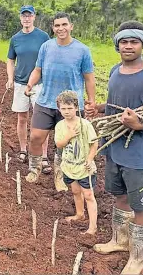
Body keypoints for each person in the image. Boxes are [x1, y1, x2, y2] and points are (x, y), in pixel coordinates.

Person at [91, 21, 143, 275]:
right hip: (114, 147)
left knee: (141, 205)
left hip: (138, 154)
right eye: (123, 42)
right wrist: (101, 108)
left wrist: (138, 124)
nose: (128, 46)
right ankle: (119, 240)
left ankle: (137, 258)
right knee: (119, 195)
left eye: (133, 41)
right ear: (117, 45)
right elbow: (116, 103)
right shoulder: (115, 70)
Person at [24, 12, 97, 184]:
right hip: (46, 101)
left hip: (71, 106)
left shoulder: (82, 50)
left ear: (71, 26)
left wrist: (91, 100)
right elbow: (38, 70)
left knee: (66, 142)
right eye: (57, 25)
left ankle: (60, 173)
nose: (60, 28)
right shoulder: (46, 47)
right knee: (35, 137)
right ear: (53, 28)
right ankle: (35, 168)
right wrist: (30, 84)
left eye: (64, 24)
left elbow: (89, 77)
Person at [6, 5, 50, 171]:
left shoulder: (43, 37)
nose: (26, 19)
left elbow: (49, 57)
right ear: (20, 18)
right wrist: (10, 78)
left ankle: (44, 155)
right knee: (22, 118)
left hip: (40, 84)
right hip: (20, 83)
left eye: (29, 16)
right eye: (23, 16)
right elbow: (10, 60)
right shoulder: (15, 39)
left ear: (34, 17)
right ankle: (23, 150)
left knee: (42, 119)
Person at [54, 90, 98, 235]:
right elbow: (59, 144)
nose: (66, 112)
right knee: (75, 191)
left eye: (70, 108)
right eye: (63, 109)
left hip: (84, 167)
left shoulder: (85, 125)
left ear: (76, 107)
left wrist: (90, 159)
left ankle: (92, 227)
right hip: (68, 166)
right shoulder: (60, 126)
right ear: (59, 108)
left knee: (89, 195)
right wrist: (69, 136)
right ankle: (80, 214)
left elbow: (94, 144)